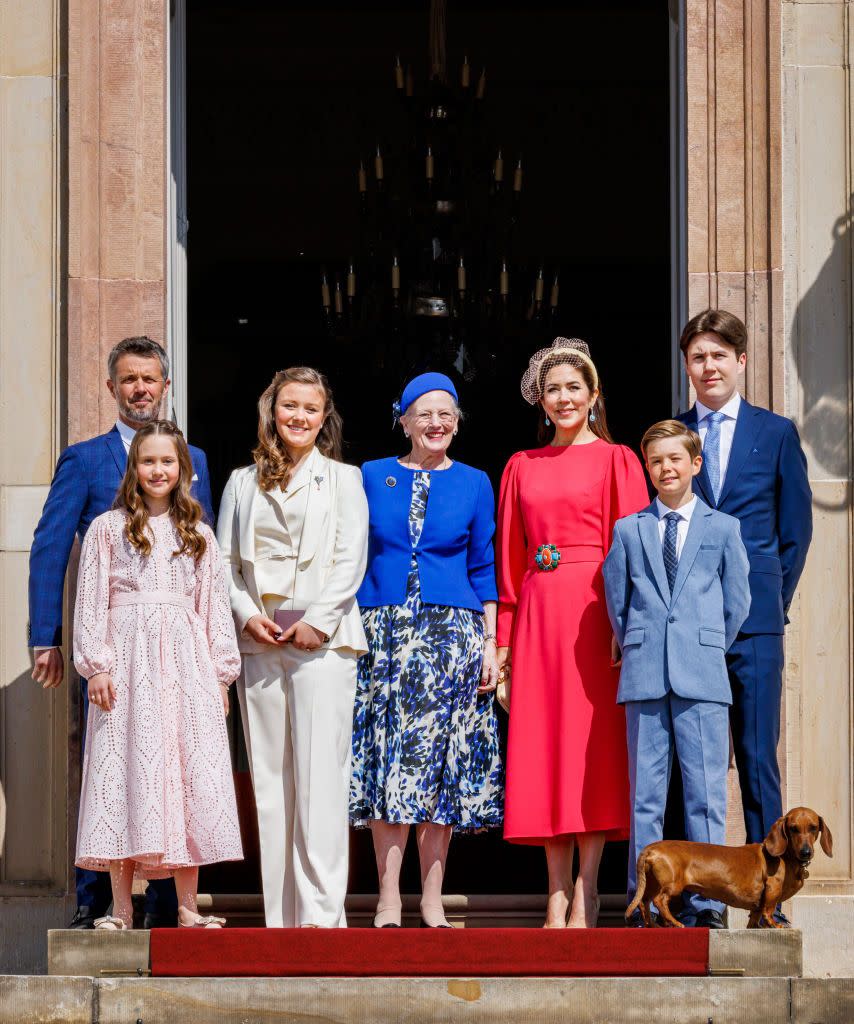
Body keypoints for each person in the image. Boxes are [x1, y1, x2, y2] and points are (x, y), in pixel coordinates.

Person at [28, 336, 214, 930]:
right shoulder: (84, 459)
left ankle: (167, 902)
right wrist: (47, 637)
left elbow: (199, 556)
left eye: (150, 379)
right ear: (112, 387)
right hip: (113, 646)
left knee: (172, 762)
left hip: (177, 652)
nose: (140, 388)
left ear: (166, 386)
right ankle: (98, 898)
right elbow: (52, 546)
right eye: (129, 379)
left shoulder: (196, 460)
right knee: (110, 762)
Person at [496, 338, 649, 929]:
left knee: (592, 750)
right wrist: (503, 646)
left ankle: (589, 890)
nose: (563, 398)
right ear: (541, 398)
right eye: (553, 389)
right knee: (542, 747)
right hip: (537, 614)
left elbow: (633, 549)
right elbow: (510, 561)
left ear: (593, 395)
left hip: (594, 614)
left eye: (573, 388)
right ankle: (554, 892)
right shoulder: (519, 465)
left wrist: (625, 621)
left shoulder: (618, 460)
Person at [73, 420, 242, 930]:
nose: (158, 470)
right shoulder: (108, 528)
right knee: (127, 769)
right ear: (134, 468)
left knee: (187, 773)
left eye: (167, 461)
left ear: (182, 469)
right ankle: (121, 907)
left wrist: (220, 676)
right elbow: (90, 601)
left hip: (186, 665)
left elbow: (213, 607)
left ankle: (188, 908)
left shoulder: (200, 536)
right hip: (125, 664)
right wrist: (96, 665)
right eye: (148, 461)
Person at [351, 372, 503, 930]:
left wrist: (491, 643)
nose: (437, 423)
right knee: (389, 761)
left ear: (458, 422)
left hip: (451, 638)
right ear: (404, 420)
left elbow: (484, 566)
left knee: (438, 766)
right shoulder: (369, 476)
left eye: (447, 414)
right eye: (425, 414)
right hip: (383, 632)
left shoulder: (475, 482)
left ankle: (432, 898)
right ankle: (388, 895)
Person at [217, 367, 368, 928]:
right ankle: (280, 921)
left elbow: (352, 557)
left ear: (324, 416)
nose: (299, 417)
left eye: (311, 408)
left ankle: (322, 920)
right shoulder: (241, 481)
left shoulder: (343, 478)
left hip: (322, 646)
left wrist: (319, 622)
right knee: (271, 785)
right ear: (271, 411)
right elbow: (225, 565)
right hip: (260, 644)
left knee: (320, 780)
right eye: (290, 407)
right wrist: (247, 615)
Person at [676, 310, 812, 926]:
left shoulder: (776, 432)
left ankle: (769, 905)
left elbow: (796, 531)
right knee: (696, 763)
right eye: (698, 358)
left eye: (718, 356)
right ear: (688, 367)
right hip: (687, 624)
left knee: (757, 756)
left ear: (741, 362)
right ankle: (698, 899)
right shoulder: (672, 434)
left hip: (755, 622)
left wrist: (771, 603)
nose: (708, 367)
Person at [603, 419, 751, 929]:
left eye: (675, 459)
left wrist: (705, 647)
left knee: (705, 797)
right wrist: (638, 643)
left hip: (703, 676)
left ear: (695, 464)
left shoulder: (723, 528)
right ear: (647, 468)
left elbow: (737, 603)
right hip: (645, 675)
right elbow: (617, 603)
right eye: (656, 461)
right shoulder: (629, 530)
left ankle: (707, 903)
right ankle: (641, 903)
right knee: (645, 794)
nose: (666, 468)